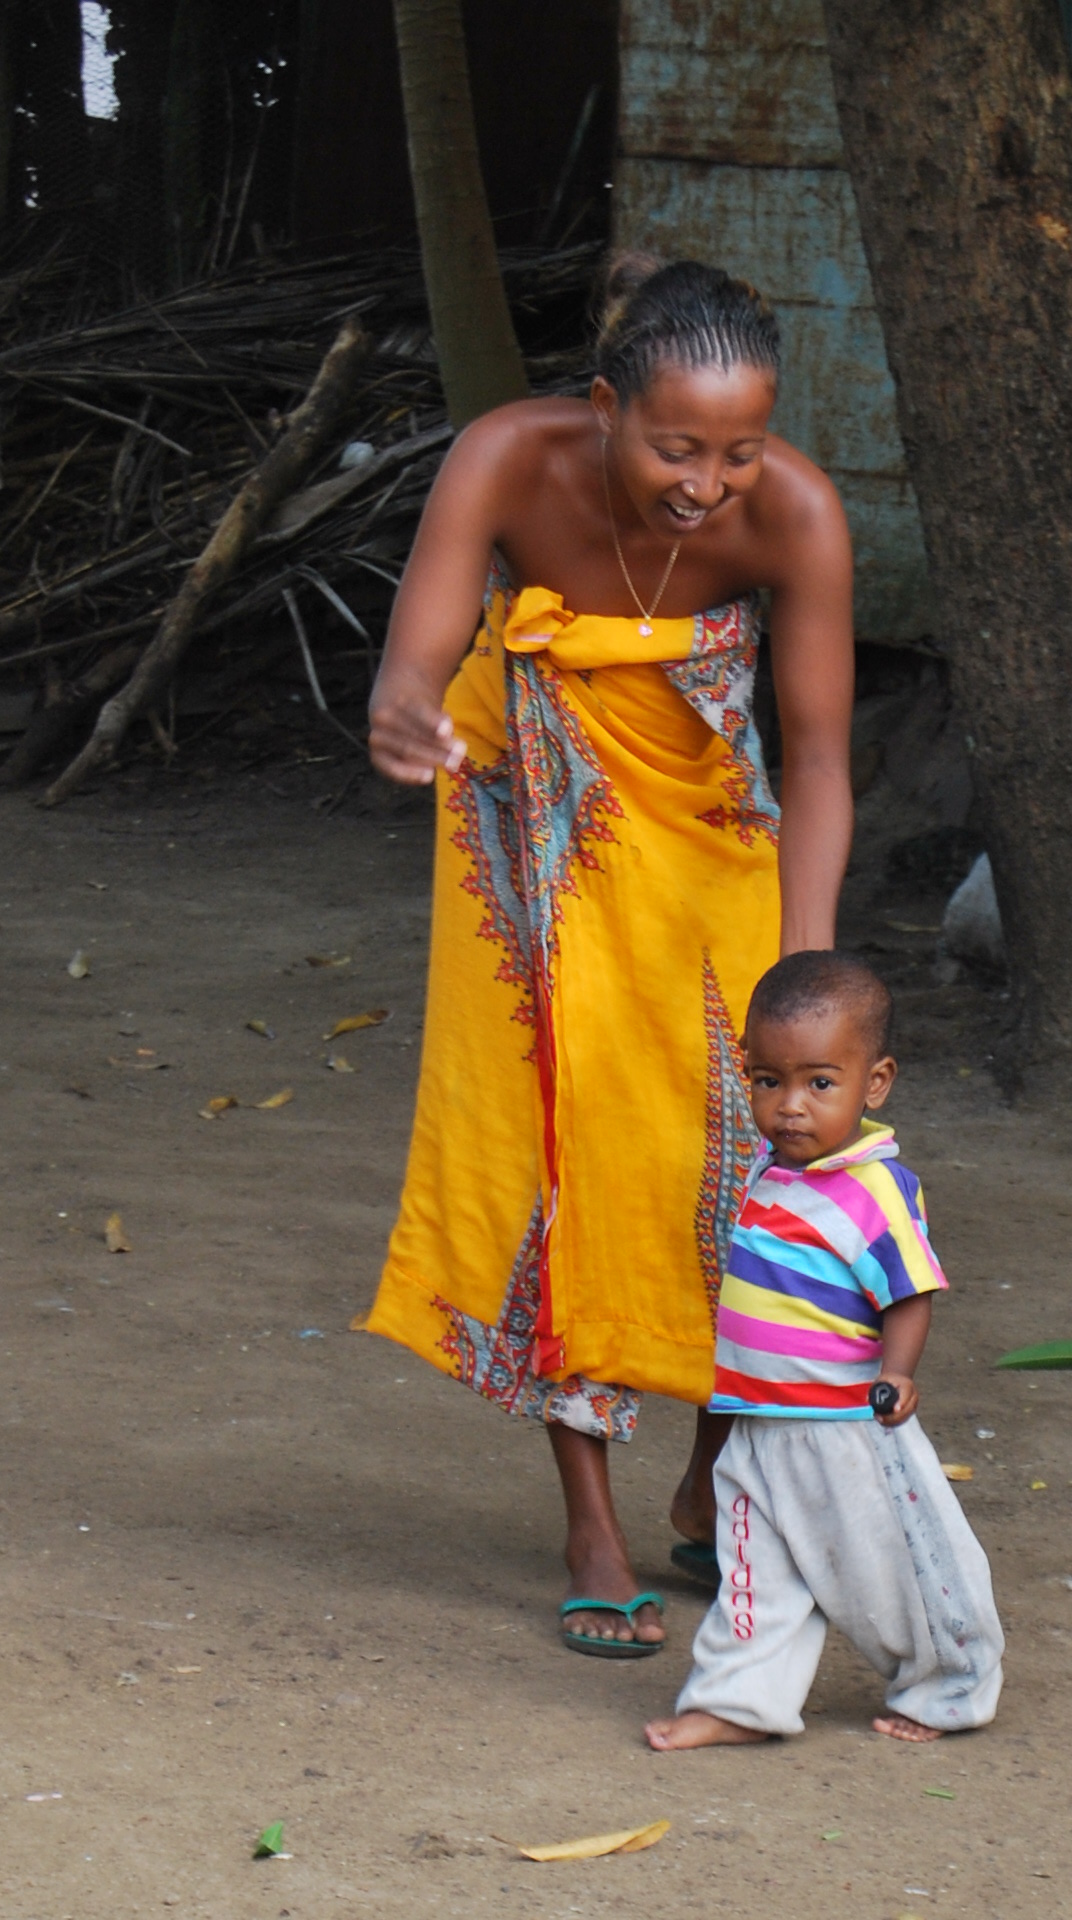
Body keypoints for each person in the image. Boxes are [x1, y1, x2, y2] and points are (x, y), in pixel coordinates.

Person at [362, 258, 854, 1656]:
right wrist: (404, 707)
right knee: (565, 1146)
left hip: (712, 836)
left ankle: (708, 1480)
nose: (708, 484)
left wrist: (804, 972)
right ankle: (591, 1521)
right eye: (677, 447)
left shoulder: (799, 512)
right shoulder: (508, 459)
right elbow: (416, 656)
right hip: (529, 815)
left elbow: (821, 760)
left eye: (739, 451)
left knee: (744, 1151)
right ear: (604, 407)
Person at [645, 950, 1004, 1747]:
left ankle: (948, 1690)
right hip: (756, 1423)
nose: (789, 1107)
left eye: (819, 1083)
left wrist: (898, 1373)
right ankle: (738, 1703)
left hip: (843, 1430)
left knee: (897, 1570)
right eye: (767, 1081)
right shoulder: (769, 1173)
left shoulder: (873, 1190)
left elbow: (908, 1292)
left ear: (875, 1084)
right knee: (754, 1578)